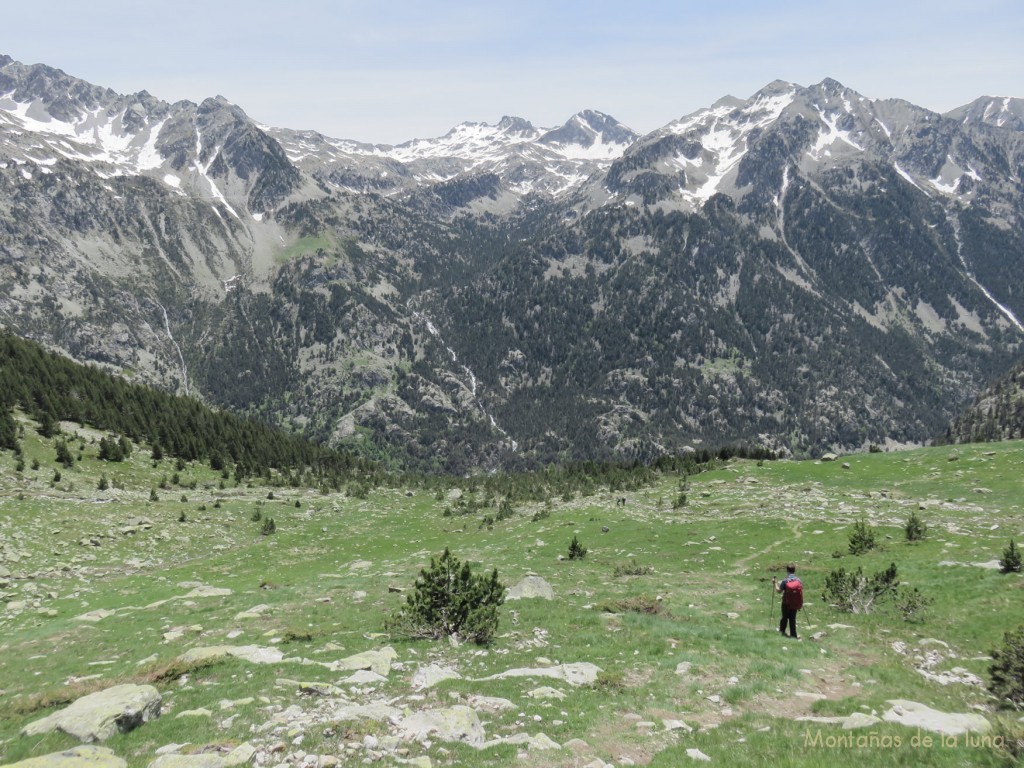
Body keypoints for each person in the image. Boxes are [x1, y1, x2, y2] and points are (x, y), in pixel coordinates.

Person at [775, 563, 802, 639]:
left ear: (787, 570)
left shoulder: (785, 580)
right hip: (795, 603)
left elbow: (779, 590)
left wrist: (775, 583)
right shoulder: (798, 580)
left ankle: (782, 632)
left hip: (786, 602)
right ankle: (793, 635)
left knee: (784, 617)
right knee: (792, 619)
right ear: (794, 570)